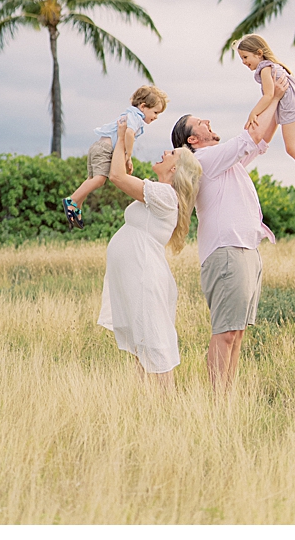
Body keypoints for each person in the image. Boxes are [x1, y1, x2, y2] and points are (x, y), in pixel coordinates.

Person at [169, 95, 284, 391]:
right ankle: (218, 402)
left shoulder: (223, 160)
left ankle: (226, 397)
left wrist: (281, 105)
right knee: (226, 332)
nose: (208, 122)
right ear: (194, 138)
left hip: (245, 249)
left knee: (237, 332)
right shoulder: (205, 158)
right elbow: (253, 135)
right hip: (227, 251)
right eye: (200, 123)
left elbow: (262, 138)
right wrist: (275, 94)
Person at [97, 116, 202, 389]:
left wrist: (122, 137)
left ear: (176, 167)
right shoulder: (160, 193)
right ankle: (148, 405)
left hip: (144, 275)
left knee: (154, 342)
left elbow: (117, 177)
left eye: (172, 153)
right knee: (141, 342)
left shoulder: (166, 195)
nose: (166, 152)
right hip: (137, 275)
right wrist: (124, 153)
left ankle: (164, 405)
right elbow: (122, 174)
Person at [234, 33, 295, 207]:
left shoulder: (265, 68)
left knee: (291, 148)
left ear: (259, 53)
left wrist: (253, 113)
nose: (244, 62)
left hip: (290, 108)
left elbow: (269, 96)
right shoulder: (275, 66)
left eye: (245, 57)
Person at [63, 85, 168, 228]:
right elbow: (129, 134)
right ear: (143, 106)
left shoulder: (130, 114)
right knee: (99, 180)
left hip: (99, 146)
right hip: (105, 149)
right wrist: (128, 155)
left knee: (91, 179)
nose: (155, 117)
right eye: (155, 112)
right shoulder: (136, 117)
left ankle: (76, 206)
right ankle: (72, 200)